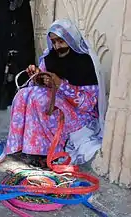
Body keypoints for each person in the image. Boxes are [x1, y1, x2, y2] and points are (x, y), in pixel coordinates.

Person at [6, 19, 107, 167]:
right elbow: (40, 83)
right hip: (55, 101)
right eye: (53, 42)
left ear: (71, 40)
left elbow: (88, 104)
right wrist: (37, 76)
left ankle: (47, 152)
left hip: (80, 115)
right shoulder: (50, 58)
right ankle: (22, 147)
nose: (57, 46)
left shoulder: (85, 63)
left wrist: (61, 84)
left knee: (39, 99)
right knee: (23, 95)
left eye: (61, 41)